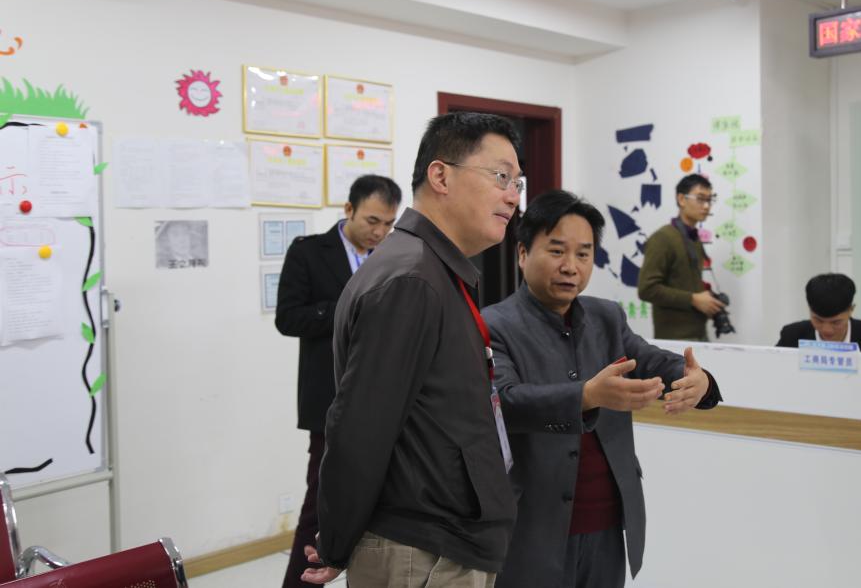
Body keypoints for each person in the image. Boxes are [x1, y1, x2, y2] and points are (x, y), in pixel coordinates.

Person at [301, 112, 523, 587]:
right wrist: (338, 539)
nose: (512, 196)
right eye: (501, 176)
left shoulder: (430, 269)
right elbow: (360, 426)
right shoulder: (412, 279)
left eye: (517, 183)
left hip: (443, 540)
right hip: (421, 551)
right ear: (440, 176)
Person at [482, 190, 722, 588]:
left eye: (583, 254)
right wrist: (586, 397)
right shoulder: (494, 324)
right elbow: (505, 402)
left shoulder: (606, 317)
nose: (570, 266)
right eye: (556, 251)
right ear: (523, 253)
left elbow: (650, 359)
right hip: (533, 526)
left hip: (607, 522)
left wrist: (700, 379)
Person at [274, 174, 401, 588]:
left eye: (388, 224)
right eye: (372, 221)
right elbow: (288, 318)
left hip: (383, 398)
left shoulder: (393, 256)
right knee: (320, 502)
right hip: (330, 398)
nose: (379, 232)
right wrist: (348, 307)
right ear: (348, 210)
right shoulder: (309, 252)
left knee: (383, 499)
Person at [637, 173, 724, 340]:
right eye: (700, 199)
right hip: (674, 339)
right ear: (682, 199)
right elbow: (647, 289)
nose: (706, 206)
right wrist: (693, 299)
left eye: (710, 200)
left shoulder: (694, 238)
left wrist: (707, 301)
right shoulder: (662, 238)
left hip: (698, 334)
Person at [776, 273, 861, 353]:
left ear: (851, 309)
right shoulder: (791, 337)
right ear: (809, 309)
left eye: (836, 322)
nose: (827, 330)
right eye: (818, 320)